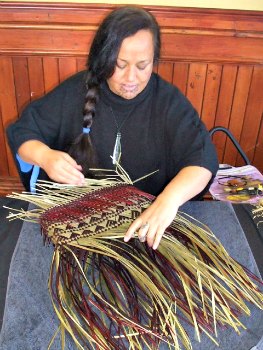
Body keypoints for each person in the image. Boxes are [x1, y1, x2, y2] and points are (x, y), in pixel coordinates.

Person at [7, 6, 218, 250]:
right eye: (119, 64)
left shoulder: (168, 101)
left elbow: (203, 159)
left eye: (142, 66)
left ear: (154, 60)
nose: (131, 79)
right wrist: (45, 157)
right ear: (104, 57)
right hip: (81, 225)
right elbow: (23, 133)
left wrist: (168, 201)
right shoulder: (78, 90)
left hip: (146, 227)